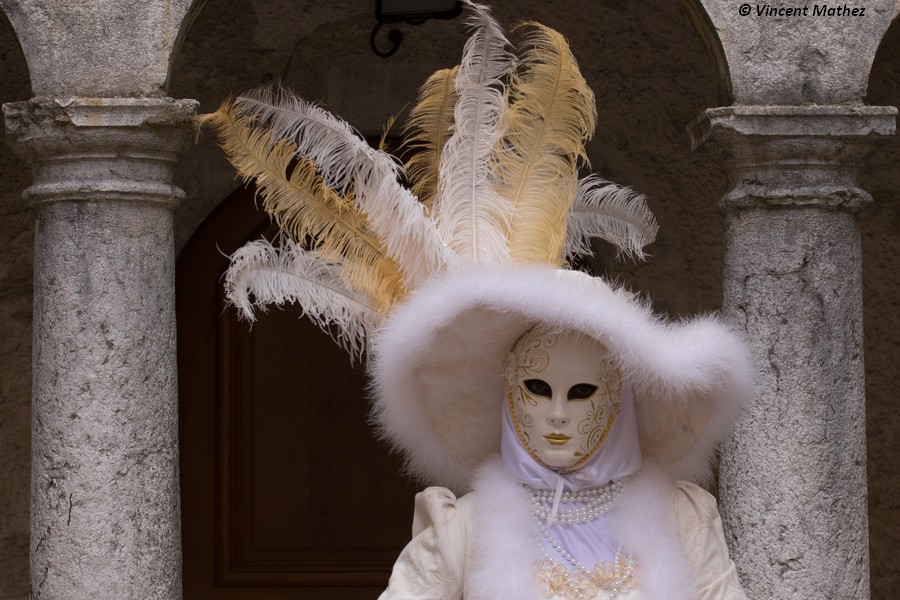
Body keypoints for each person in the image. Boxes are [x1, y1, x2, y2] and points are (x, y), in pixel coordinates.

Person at [201, 2, 753, 598]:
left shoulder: (683, 518)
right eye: (537, 390)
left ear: (621, 395)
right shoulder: (462, 530)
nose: (558, 415)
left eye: (583, 391)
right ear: (508, 393)